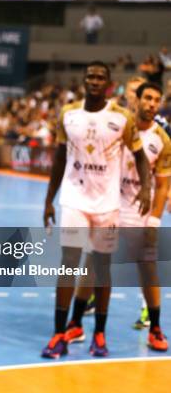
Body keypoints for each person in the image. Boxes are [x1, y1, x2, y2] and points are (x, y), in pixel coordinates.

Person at [42, 61, 151, 359]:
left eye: (100, 77)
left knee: (101, 269)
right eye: (90, 76)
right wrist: (48, 199)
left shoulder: (122, 117)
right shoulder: (69, 114)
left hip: (107, 205)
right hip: (74, 199)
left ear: (108, 83)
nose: (94, 80)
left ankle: (99, 335)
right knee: (69, 264)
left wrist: (146, 187)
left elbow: (141, 157)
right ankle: (58, 334)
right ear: (84, 80)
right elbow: (60, 158)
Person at [66, 83, 170, 352]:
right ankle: (76, 323)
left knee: (148, 269)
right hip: (109, 206)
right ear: (136, 100)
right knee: (93, 266)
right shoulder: (116, 126)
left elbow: (162, 186)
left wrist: (154, 221)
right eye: (147, 98)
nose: (151, 104)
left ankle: (156, 328)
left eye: (156, 100)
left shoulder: (162, 140)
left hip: (139, 213)